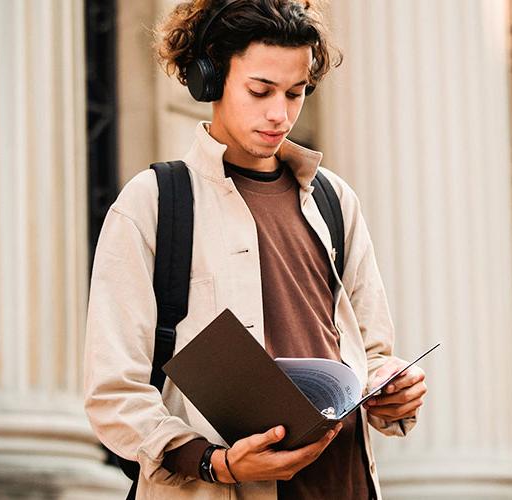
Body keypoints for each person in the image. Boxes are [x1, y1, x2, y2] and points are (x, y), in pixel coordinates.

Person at [83, 0, 428, 498]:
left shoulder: (336, 200)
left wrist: (393, 387)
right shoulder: (153, 202)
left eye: (296, 93)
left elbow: (374, 353)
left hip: (345, 485)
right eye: (260, 90)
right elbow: (113, 391)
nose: (279, 113)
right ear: (209, 78)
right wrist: (217, 464)